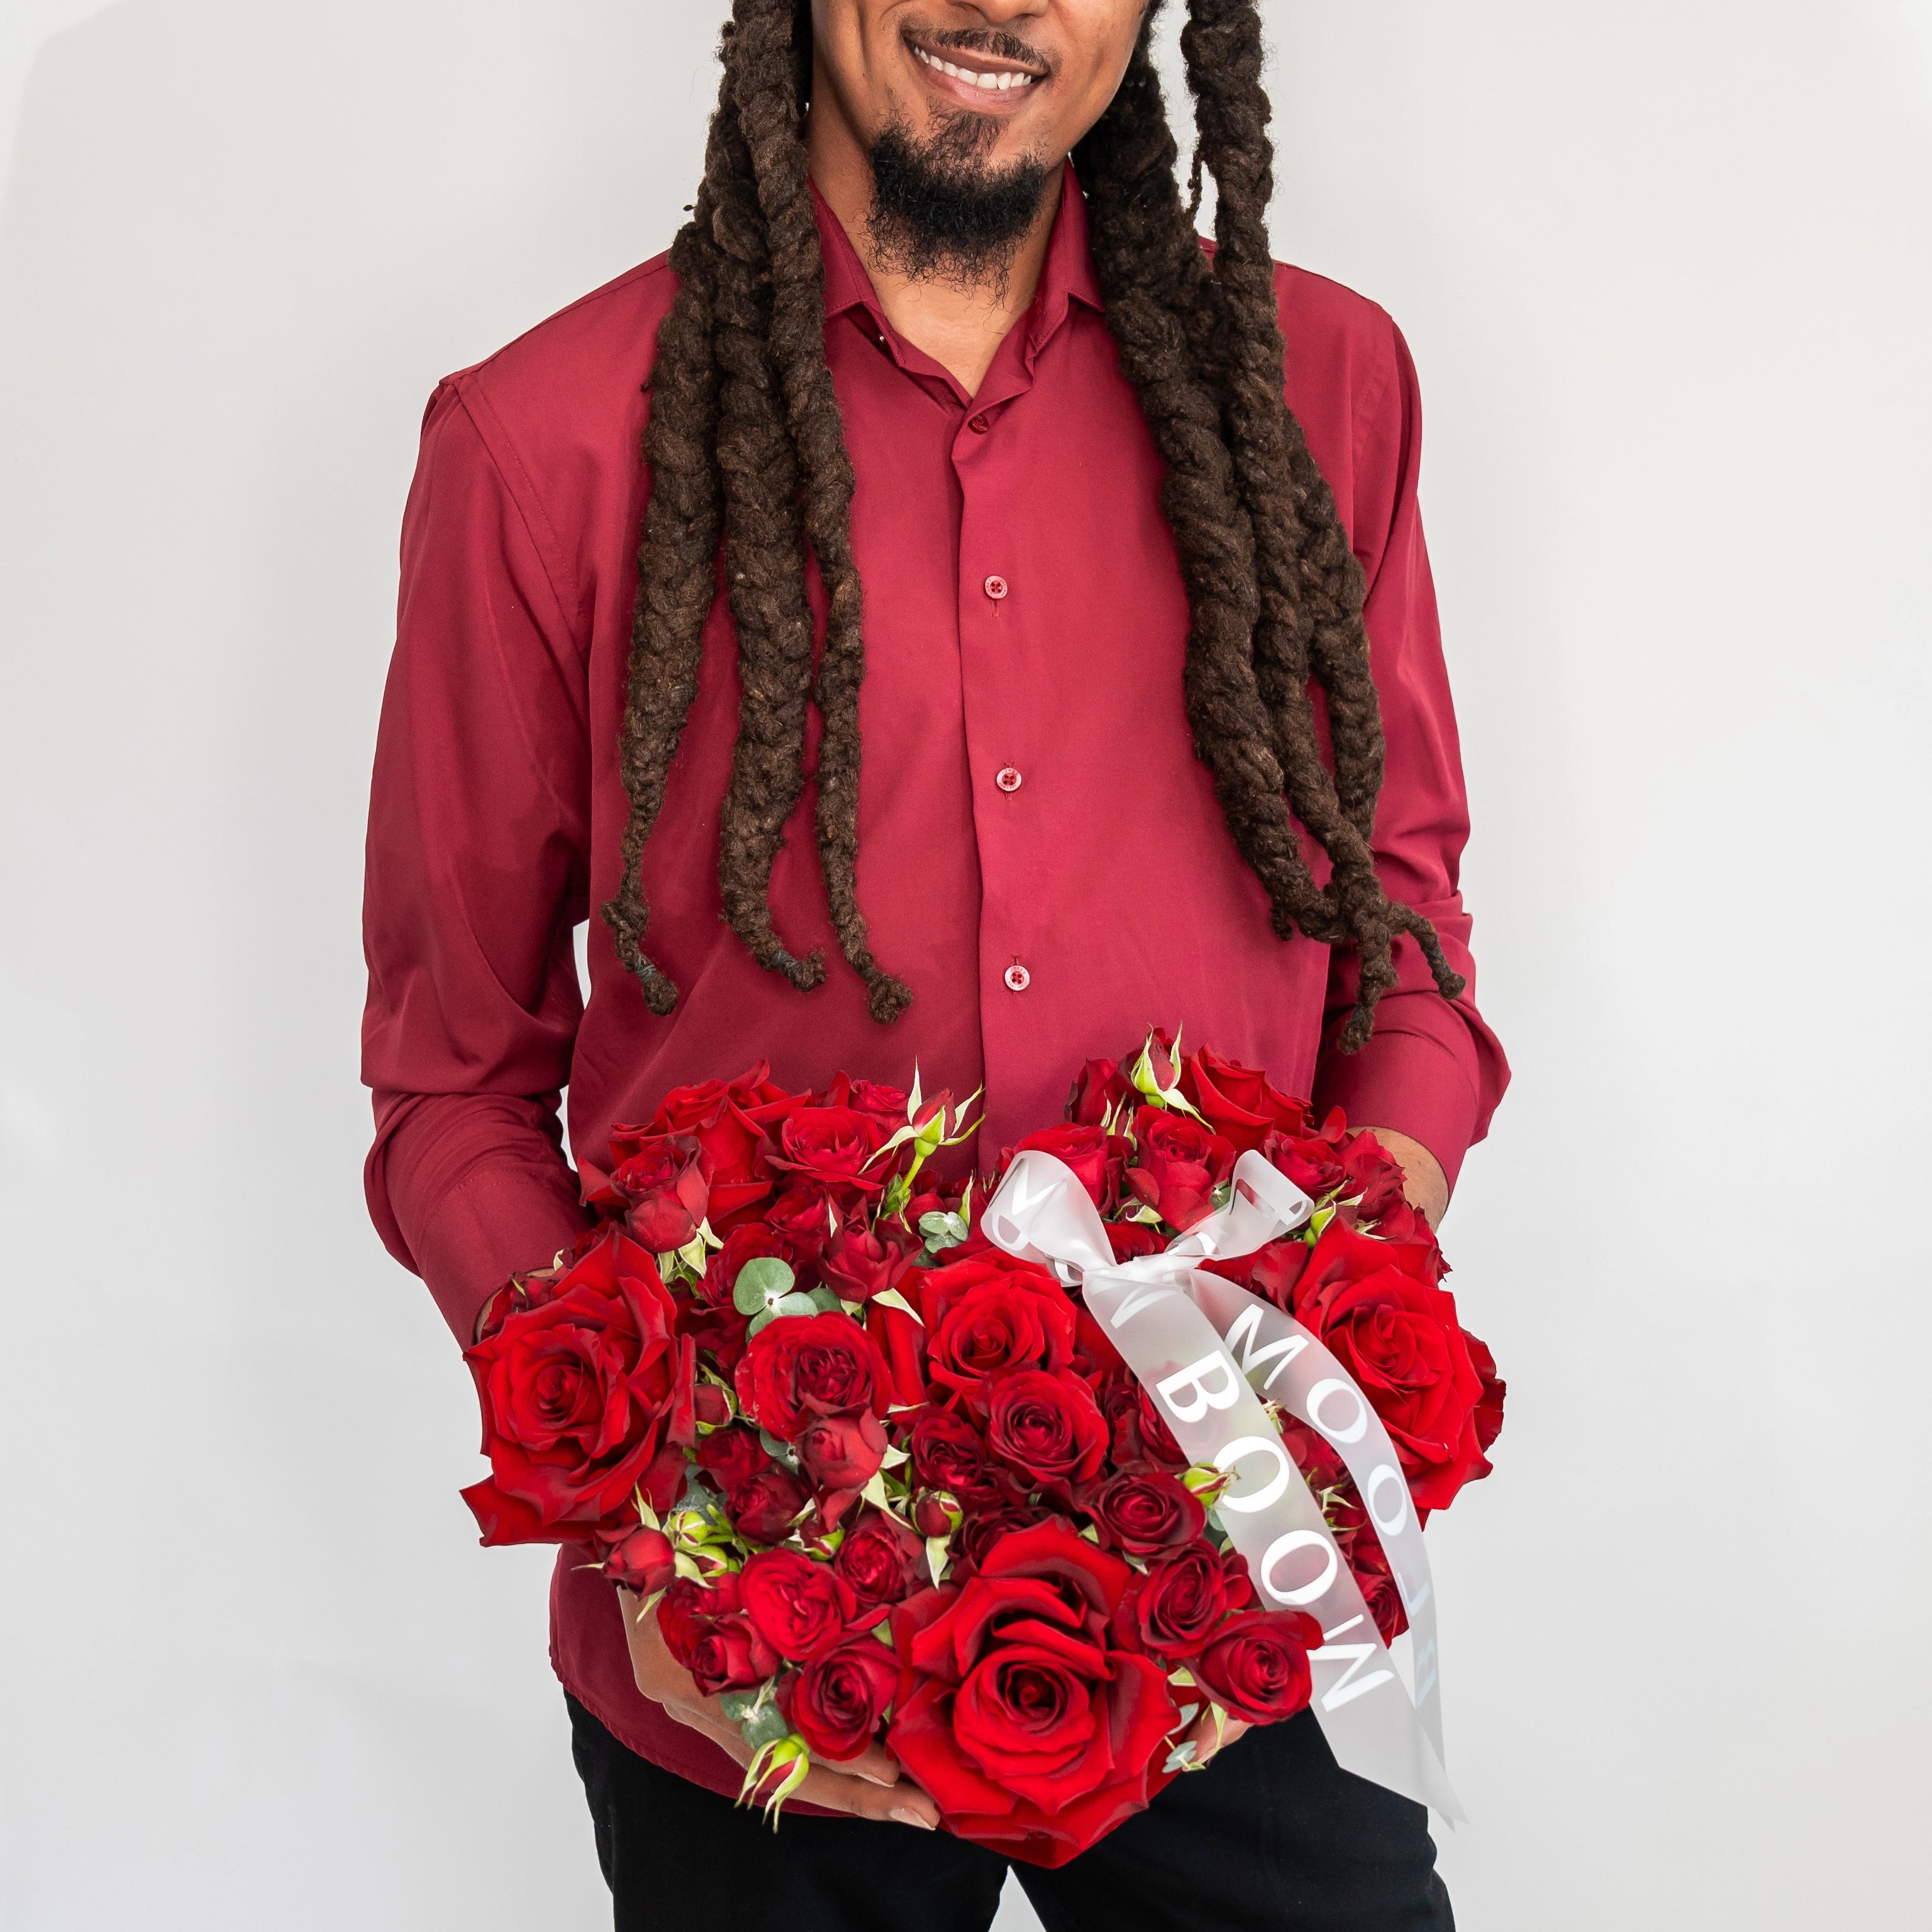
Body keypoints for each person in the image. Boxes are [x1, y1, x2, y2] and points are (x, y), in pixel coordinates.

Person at [360, 1, 1507, 1924]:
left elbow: (1401, 942)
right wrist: (659, 1524)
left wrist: (1335, 1336)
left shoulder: (1323, 385)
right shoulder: (537, 441)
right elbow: (451, 1087)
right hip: (750, 1671)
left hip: (1236, 1580)